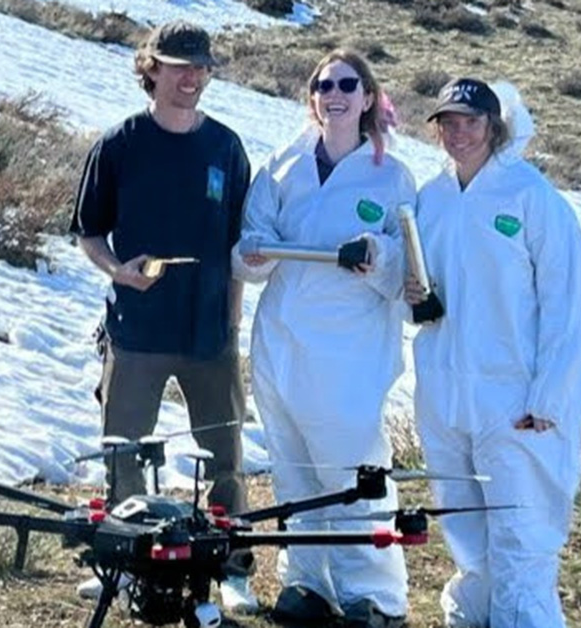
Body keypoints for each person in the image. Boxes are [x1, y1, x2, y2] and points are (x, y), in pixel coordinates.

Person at [68, 20, 257, 612]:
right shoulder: (120, 143)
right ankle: (123, 565)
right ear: (151, 69)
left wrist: (231, 325)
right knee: (124, 451)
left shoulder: (225, 146)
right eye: (180, 67)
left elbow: (238, 249)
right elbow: (89, 232)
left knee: (224, 457)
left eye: (201, 67)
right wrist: (118, 269)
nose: (192, 78)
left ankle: (232, 567)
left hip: (208, 333)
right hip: (137, 331)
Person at [404, 78, 581, 628]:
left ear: (495, 126)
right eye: (448, 122)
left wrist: (550, 398)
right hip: (445, 391)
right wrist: (411, 291)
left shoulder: (531, 198)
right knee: (465, 524)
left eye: (471, 121)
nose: (459, 133)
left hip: (514, 397)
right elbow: (417, 282)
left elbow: (567, 309)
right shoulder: (432, 197)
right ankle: (474, 614)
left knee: (521, 529)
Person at [232, 50, 413, 628]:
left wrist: (378, 256)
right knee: (293, 469)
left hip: (348, 352)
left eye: (347, 84)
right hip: (282, 343)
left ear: (367, 97)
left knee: (352, 472)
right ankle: (308, 584)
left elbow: (409, 265)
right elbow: (248, 243)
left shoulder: (392, 176)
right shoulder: (283, 164)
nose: (334, 93)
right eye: (323, 84)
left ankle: (375, 597)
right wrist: (255, 253)